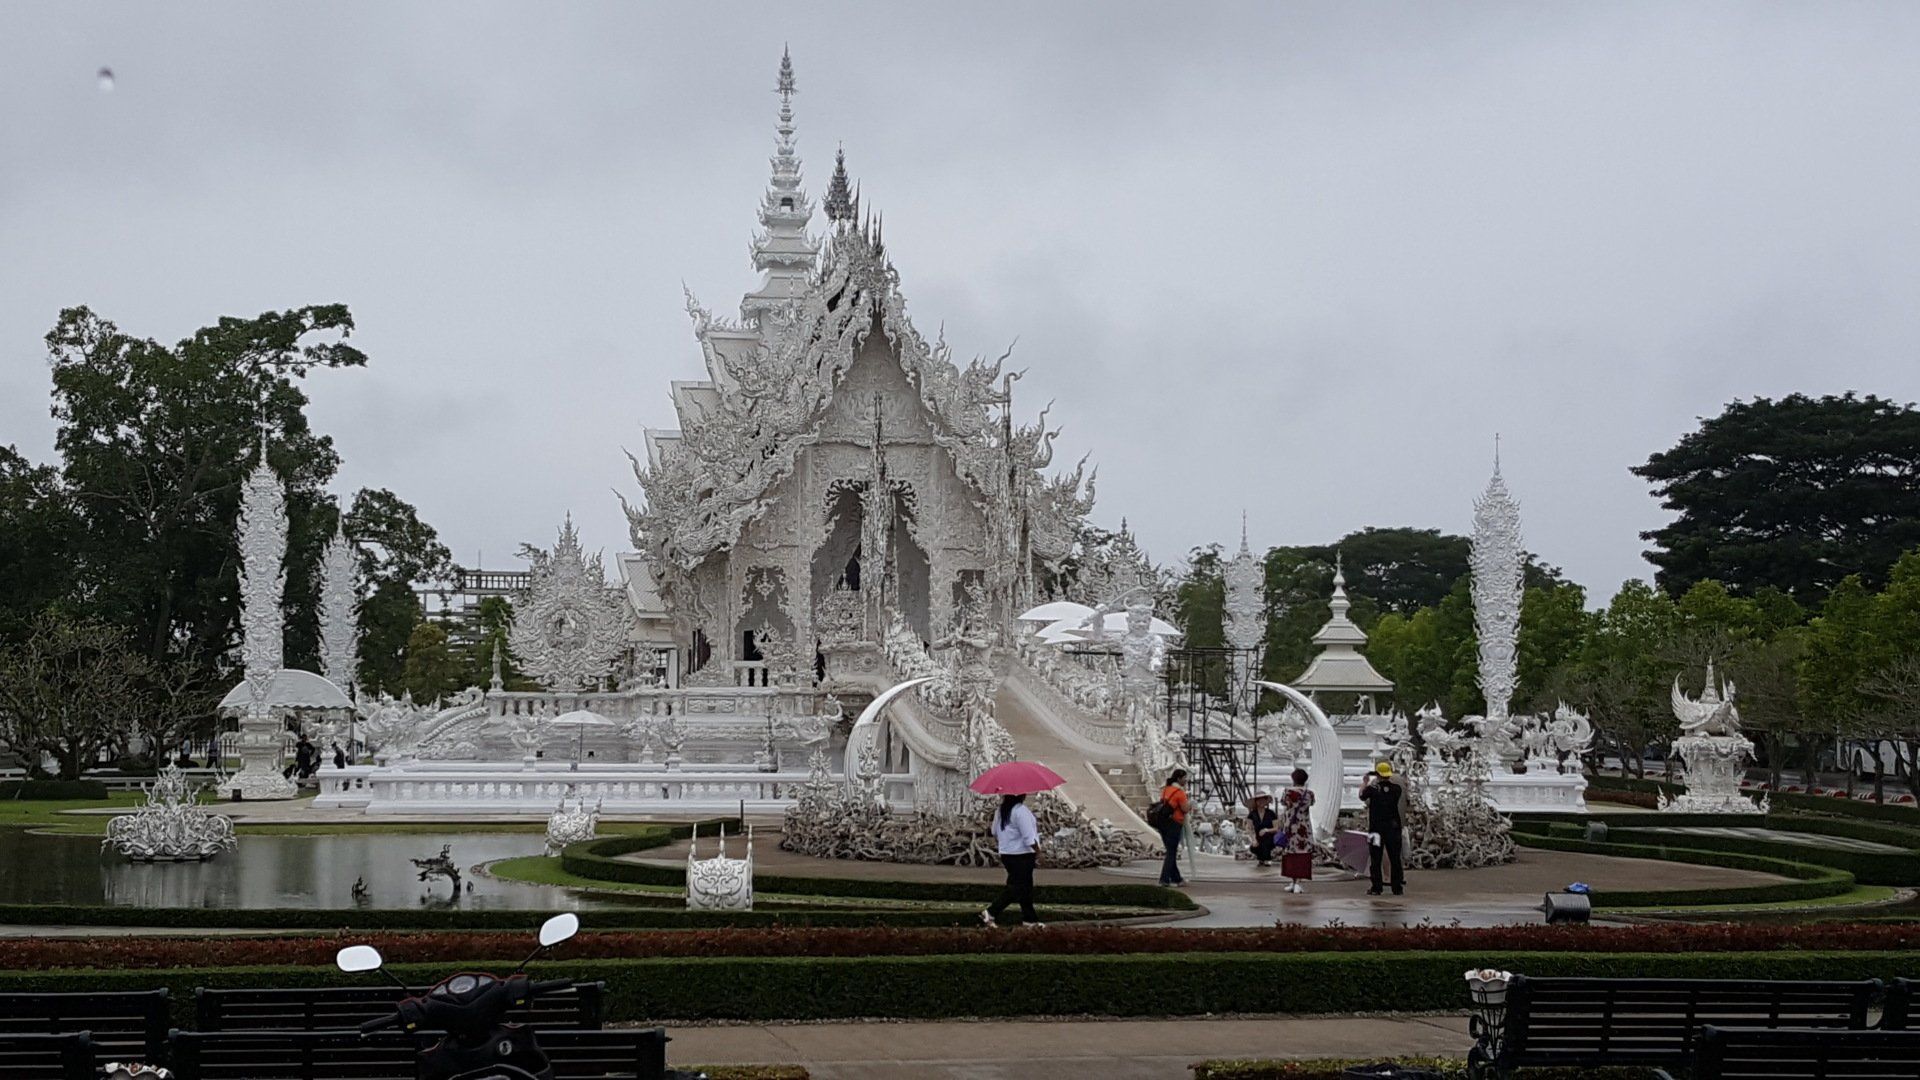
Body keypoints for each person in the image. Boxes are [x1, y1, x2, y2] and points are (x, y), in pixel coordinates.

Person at [981, 793, 1041, 927]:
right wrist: (1038, 852)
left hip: (1007, 853)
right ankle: (990, 912)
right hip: (1022, 854)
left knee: (1025, 887)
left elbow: (994, 831)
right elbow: (1028, 837)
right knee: (1017, 887)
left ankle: (1029, 919)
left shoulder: (1001, 810)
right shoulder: (1021, 811)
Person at [1359, 760, 1406, 895]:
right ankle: (1397, 887)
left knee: (1375, 858)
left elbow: (1362, 796)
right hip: (1393, 827)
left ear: (1378, 774)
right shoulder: (1397, 789)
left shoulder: (1373, 789)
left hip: (1376, 828)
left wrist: (1365, 782)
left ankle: (1376, 887)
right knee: (1395, 858)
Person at [1279, 768, 1316, 893]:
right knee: (1303, 853)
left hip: (1290, 826)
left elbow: (1284, 804)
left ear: (1293, 779)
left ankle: (1293, 881)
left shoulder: (1287, 792)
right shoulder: (1309, 793)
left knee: (1291, 853)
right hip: (1304, 827)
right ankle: (1298, 882)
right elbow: (1312, 804)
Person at [1156, 768, 1191, 887]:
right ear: (1179, 778)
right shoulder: (1180, 793)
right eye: (1184, 778)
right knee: (1171, 853)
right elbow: (1185, 809)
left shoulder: (1166, 789)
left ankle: (1177, 878)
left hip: (1163, 823)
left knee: (1171, 851)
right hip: (1175, 823)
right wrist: (1191, 805)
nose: (1186, 780)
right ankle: (1164, 879)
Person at [1245, 790, 1278, 867]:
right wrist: (1253, 839)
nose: (1261, 802)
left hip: (1270, 838)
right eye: (1258, 800)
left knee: (1266, 841)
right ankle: (1262, 859)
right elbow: (1249, 828)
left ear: (1266, 801)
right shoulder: (1252, 814)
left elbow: (1276, 828)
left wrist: (1266, 830)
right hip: (1257, 838)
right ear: (1256, 802)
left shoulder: (1271, 813)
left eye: (1263, 799)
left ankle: (1266, 859)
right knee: (1254, 847)